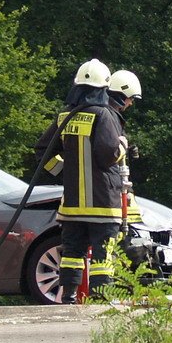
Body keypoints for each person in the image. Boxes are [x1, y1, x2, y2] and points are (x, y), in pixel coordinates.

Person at [35, 59, 125, 303]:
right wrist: (123, 147)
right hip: (102, 204)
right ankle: (101, 298)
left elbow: (42, 151)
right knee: (102, 255)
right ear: (104, 88)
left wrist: (64, 171)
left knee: (72, 253)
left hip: (72, 205)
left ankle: (69, 297)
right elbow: (108, 155)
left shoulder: (65, 115)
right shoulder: (104, 115)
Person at [108, 70, 143, 225]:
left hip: (116, 185)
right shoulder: (108, 117)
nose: (131, 103)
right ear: (122, 95)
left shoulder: (112, 116)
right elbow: (110, 153)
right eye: (131, 98)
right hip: (112, 188)